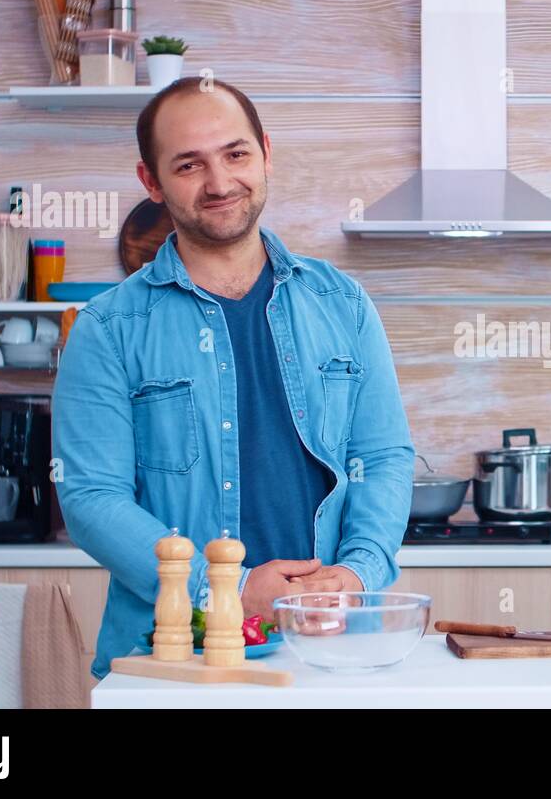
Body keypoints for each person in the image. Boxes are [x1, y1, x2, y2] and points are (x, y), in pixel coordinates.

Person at [53, 78, 414, 678]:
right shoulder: (107, 328)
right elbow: (92, 499)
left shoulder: (343, 303)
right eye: (189, 164)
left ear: (266, 153)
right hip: (172, 658)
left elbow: (382, 458)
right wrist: (227, 589)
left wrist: (356, 573)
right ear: (151, 181)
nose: (220, 184)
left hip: (335, 647)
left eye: (236, 154)